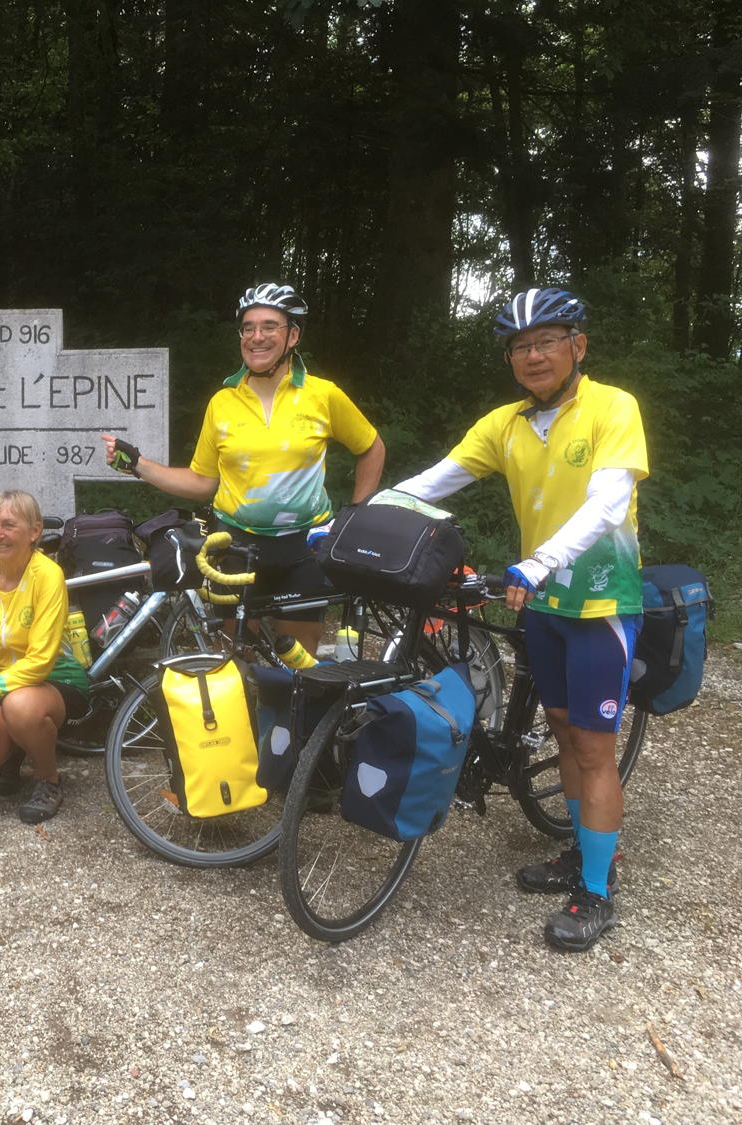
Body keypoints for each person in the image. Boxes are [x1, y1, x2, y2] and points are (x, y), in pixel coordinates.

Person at [392, 287, 647, 953]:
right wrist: (349, 519)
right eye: (520, 346)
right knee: (562, 732)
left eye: (547, 340)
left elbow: (606, 506)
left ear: (578, 346)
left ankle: (597, 889)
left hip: (598, 603)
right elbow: (433, 481)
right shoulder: (505, 423)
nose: (533, 355)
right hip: (540, 604)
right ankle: (582, 851)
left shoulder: (613, 407)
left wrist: (539, 562)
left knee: (593, 745)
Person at [103, 283, 385, 657]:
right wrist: (138, 465)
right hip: (235, 546)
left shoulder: (324, 395)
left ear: (293, 335)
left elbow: (372, 448)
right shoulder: (222, 403)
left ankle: (286, 717)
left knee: (299, 664)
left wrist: (355, 517)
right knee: (234, 660)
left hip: (304, 548)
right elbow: (202, 482)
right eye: (248, 328)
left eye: (270, 326)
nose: (257, 336)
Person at [0, 490, 90, 824]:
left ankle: (48, 779)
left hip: (56, 679)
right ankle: (11, 757)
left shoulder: (48, 574)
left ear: (34, 531)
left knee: (20, 706)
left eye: (9, 525)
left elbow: (40, 660)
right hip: (1, 683)